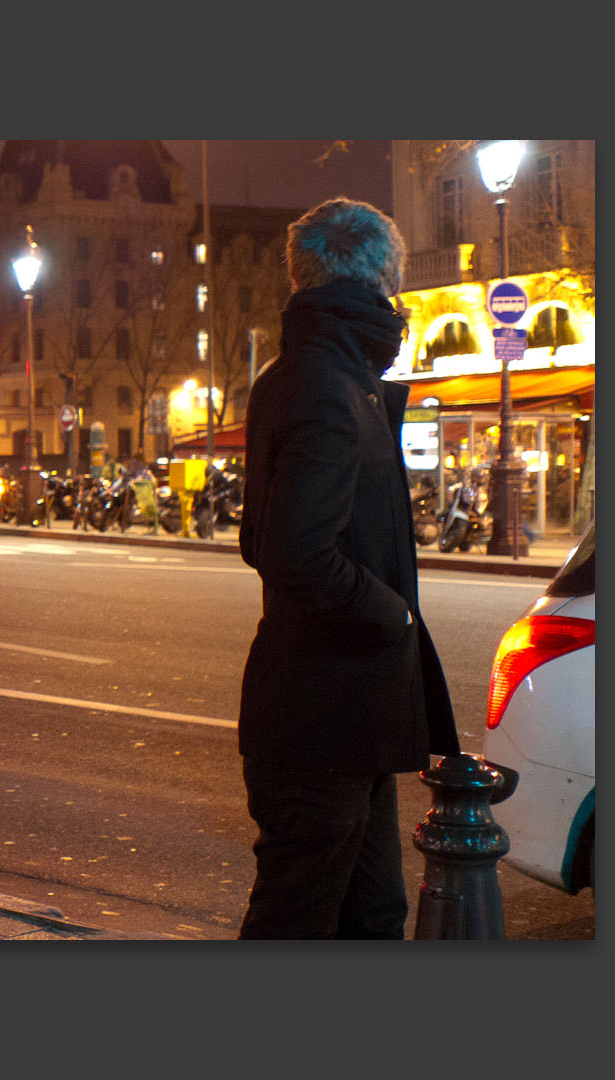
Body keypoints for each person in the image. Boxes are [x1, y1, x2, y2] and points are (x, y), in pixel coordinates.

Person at [236, 198, 460, 938]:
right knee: (302, 920)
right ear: (381, 280)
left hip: (342, 711)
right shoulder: (328, 386)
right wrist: (389, 610)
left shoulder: (303, 374)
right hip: (325, 711)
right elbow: (294, 550)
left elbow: (260, 539)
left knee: (370, 914)